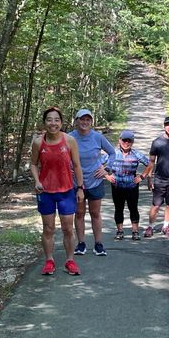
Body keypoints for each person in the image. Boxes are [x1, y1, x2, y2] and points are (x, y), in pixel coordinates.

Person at [30, 107, 85, 276]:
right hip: (45, 192)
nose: (53, 123)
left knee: (68, 228)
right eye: (49, 120)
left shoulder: (69, 141)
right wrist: (37, 180)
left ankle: (70, 261)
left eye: (56, 120)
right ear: (44, 122)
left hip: (66, 191)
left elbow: (77, 165)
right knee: (48, 228)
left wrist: (80, 188)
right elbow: (33, 164)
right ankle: (49, 261)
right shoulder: (38, 142)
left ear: (61, 122)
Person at [69, 108, 115, 257]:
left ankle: (98, 244)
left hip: (95, 181)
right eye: (82, 119)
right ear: (76, 121)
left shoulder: (97, 137)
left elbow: (112, 153)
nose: (85, 122)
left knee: (95, 213)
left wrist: (107, 169)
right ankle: (81, 244)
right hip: (76, 183)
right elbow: (62, 156)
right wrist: (66, 169)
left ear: (91, 122)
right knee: (79, 213)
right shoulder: (69, 137)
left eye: (88, 119)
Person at [103, 129, 151, 241]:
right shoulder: (113, 153)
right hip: (117, 186)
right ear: (119, 140)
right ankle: (120, 231)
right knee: (118, 208)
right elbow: (98, 164)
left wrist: (142, 177)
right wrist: (106, 176)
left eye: (129, 141)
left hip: (132, 186)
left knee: (133, 208)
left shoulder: (136, 154)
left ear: (132, 142)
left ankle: (135, 231)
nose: (126, 143)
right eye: (124, 140)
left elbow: (149, 164)